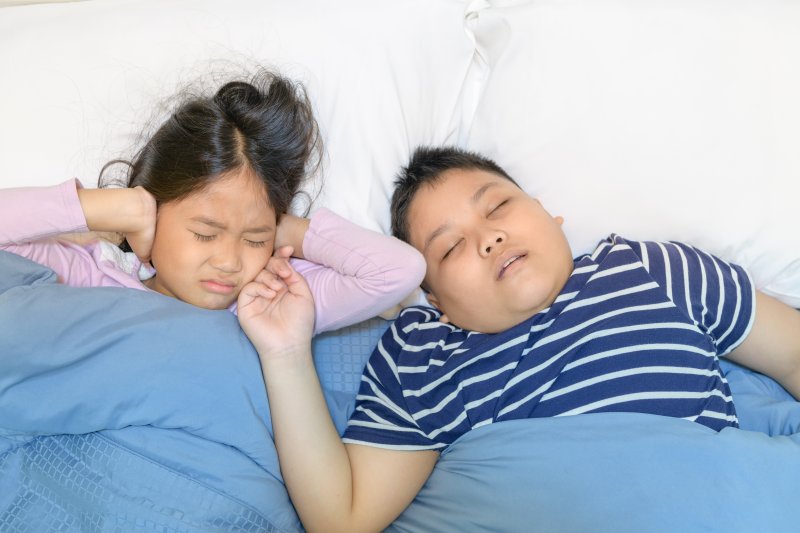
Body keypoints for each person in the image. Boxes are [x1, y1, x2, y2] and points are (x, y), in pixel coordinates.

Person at [238, 145, 800, 533]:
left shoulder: (650, 269)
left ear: (551, 216)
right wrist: (285, 352)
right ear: (436, 301)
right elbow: (342, 517)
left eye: (499, 206)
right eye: (450, 247)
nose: (489, 237)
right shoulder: (422, 357)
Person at [0, 71, 426, 334]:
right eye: (205, 232)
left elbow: (399, 270)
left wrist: (280, 227)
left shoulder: (268, 304)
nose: (228, 261)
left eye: (254, 240)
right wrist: (111, 209)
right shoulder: (95, 275)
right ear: (154, 210)